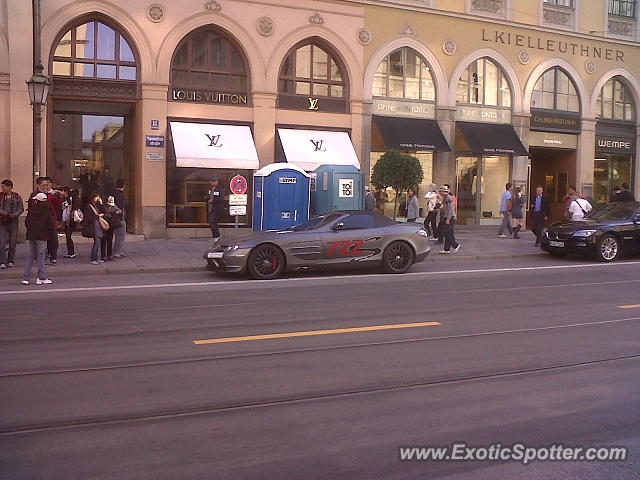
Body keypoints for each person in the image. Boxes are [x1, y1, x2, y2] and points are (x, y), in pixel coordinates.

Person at [22, 192, 53, 285]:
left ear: (37, 201)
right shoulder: (47, 211)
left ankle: (26, 278)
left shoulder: (31, 210)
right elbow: (50, 224)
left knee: (29, 257)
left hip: (30, 235)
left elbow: (27, 222)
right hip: (42, 236)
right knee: (41, 257)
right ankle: (41, 278)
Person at [35, 177, 63, 265]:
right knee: (41, 240)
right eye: (44, 185)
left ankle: (53, 256)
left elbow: (57, 204)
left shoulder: (51, 194)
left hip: (51, 219)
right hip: (40, 221)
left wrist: (58, 196)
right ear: (39, 185)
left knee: (54, 239)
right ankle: (40, 257)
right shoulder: (36, 195)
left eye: (47, 185)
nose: (46, 187)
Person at [0, 179, 24, 269]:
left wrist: (15, 215)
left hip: (13, 221)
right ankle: (2, 261)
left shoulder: (17, 196)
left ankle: (10, 260)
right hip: (2, 221)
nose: (2, 188)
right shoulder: (1, 196)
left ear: (9, 187)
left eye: (4, 187)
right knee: (2, 243)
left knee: (12, 242)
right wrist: (3, 212)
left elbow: (21, 208)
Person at [83, 193, 106, 265]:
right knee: (96, 242)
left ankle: (95, 258)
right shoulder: (89, 206)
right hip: (94, 226)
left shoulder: (97, 205)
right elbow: (89, 217)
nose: (98, 198)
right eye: (97, 197)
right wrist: (98, 216)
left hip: (98, 225)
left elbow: (104, 211)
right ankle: (93, 258)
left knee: (98, 242)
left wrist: (101, 204)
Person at [438, 185, 461, 254]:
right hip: (448, 217)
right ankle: (446, 249)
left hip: (450, 218)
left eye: (440, 191)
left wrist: (448, 219)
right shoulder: (445, 198)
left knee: (447, 233)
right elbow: (445, 208)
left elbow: (451, 209)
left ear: (443, 192)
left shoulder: (448, 198)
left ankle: (455, 245)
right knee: (448, 232)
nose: (440, 193)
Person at [101, 196, 121, 261]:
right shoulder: (103, 206)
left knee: (110, 240)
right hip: (105, 224)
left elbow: (119, 210)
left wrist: (117, 211)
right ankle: (103, 255)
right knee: (104, 240)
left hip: (111, 224)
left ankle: (109, 255)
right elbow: (102, 213)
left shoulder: (113, 205)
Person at [112, 178, 128, 258]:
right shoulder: (120, 195)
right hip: (120, 217)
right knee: (120, 235)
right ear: (124, 185)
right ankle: (116, 251)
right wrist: (119, 211)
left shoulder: (114, 194)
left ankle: (118, 250)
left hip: (117, 217)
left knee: (120, 235)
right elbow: (121, 206)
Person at [61, 187, 78, 258]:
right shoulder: (68, 198)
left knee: (68, 236)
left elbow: (69, 208)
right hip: (68, 219)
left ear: (65, 192)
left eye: (62, 191)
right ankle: (70, 252)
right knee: (68, 236)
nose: (62, 193)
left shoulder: (69, 199)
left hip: (69, 220)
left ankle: (71, 252)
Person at [206, 177, 225, 243]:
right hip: (210, 208)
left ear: (217, 182)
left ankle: (217, 236)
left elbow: (221, 199)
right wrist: (207, 198)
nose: (212, 182)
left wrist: (213, 201)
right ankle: (215, 237)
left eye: (214, 181)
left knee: (212, 222)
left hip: (216, 209)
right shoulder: (210, 189)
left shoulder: (219, 189)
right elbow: (207, 196)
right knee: (211, 222)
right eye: (211, 181)